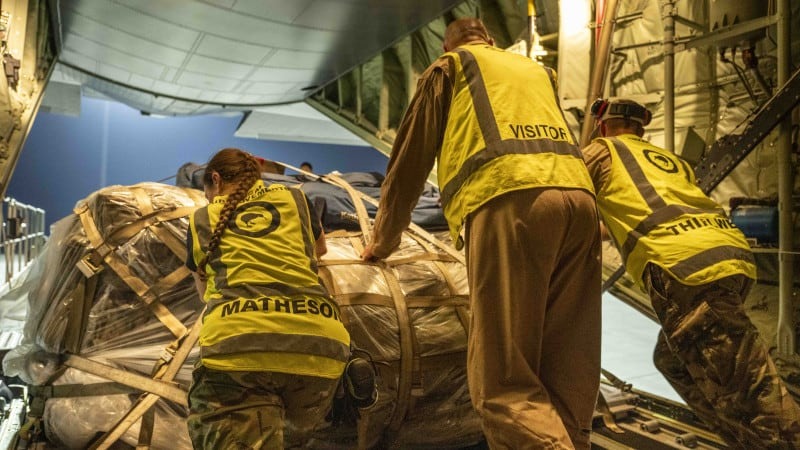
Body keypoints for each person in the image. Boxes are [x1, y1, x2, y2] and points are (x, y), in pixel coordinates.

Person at [361, 17, 602, 449]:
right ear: (491, 39)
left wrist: (382, 240)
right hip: (579, 203)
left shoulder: (450, 68)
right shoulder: (536, 71)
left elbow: (408, 165)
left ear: (446, 47)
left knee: (502, 382)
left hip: (510, 200)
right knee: (568, 365)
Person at [583, 99, 800, 449]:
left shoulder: (601, 151)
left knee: (758, 398)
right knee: (673, 362)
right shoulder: (670, 162)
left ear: (603, 126)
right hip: (730, 258)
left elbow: (561, 196)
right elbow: (645, 216)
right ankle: (744, 440)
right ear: (641, 129)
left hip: (684, 269)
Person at [185, 148, 371, 449]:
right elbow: (319, 251)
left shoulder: (202, 219)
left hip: (238, 351)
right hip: (322, 351)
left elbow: (203, 291)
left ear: (215, 180)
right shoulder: (296, 199)